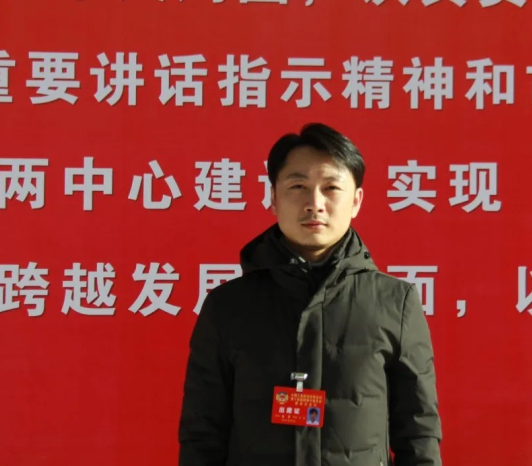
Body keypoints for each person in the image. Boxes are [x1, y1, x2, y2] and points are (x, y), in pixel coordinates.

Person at [178, 123, 442, 466]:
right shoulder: (228, 305)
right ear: (273, 198)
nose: (314, 204)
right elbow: (202, 434)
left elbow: (419, 433)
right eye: (298, 186)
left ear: (356, 201)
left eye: (331, 188)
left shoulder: (395, 302)